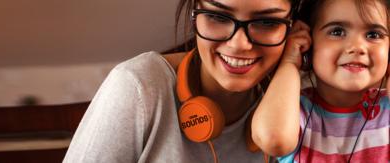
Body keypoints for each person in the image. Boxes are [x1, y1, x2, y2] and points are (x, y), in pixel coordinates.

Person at [63, 0, 301, 162]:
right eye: (217, 16)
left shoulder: (302, 102)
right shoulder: (138, 85)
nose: (239, 44)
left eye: (267, 23)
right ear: (193, 15)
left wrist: (291, 64)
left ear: (295, 28)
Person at [251, 0, 390, 162]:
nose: (358, 46)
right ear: (308, 43)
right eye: (337, 32)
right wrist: (289, 62)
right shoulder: (293, 111)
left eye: (373, 35)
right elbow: (272, 139)